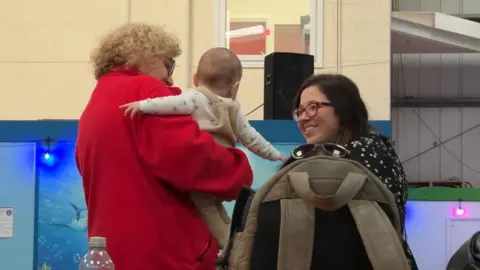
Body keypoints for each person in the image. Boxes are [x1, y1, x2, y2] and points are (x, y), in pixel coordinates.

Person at [75, 23, 253, 270]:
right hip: (166, 256)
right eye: (169, 64)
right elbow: (191, 157)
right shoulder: (147, 92)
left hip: (113, 256)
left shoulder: (93, 108)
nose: (170, 77)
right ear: (145, 56)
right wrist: (240, 168)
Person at [119, 47, 285, 249]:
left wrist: (143, 105)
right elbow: (252, 139)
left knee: (206, 207)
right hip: (224, 164)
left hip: (204, 163)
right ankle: (236, 236)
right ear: (235, 87)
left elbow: (171, 103)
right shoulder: (234, 108)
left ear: (196, 78)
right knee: (216, 205)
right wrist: (276, 155)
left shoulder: (195, 98)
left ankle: (227, 245)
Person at [284, 73, 418, 269]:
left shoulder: (362, 155)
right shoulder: (374, 146)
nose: (304, 118)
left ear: (343, 107)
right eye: (300, 111)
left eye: (313, 107)